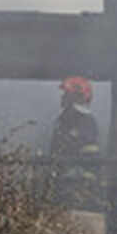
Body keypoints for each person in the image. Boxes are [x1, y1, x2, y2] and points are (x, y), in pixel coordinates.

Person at [48, 76, 104, 211]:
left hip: (76, 184)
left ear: (75, 96)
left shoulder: (84, 121)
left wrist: (81, 182)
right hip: (64, 181)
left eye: (66, 94)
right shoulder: (65, 119)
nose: (62, 97)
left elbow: (89, 155)